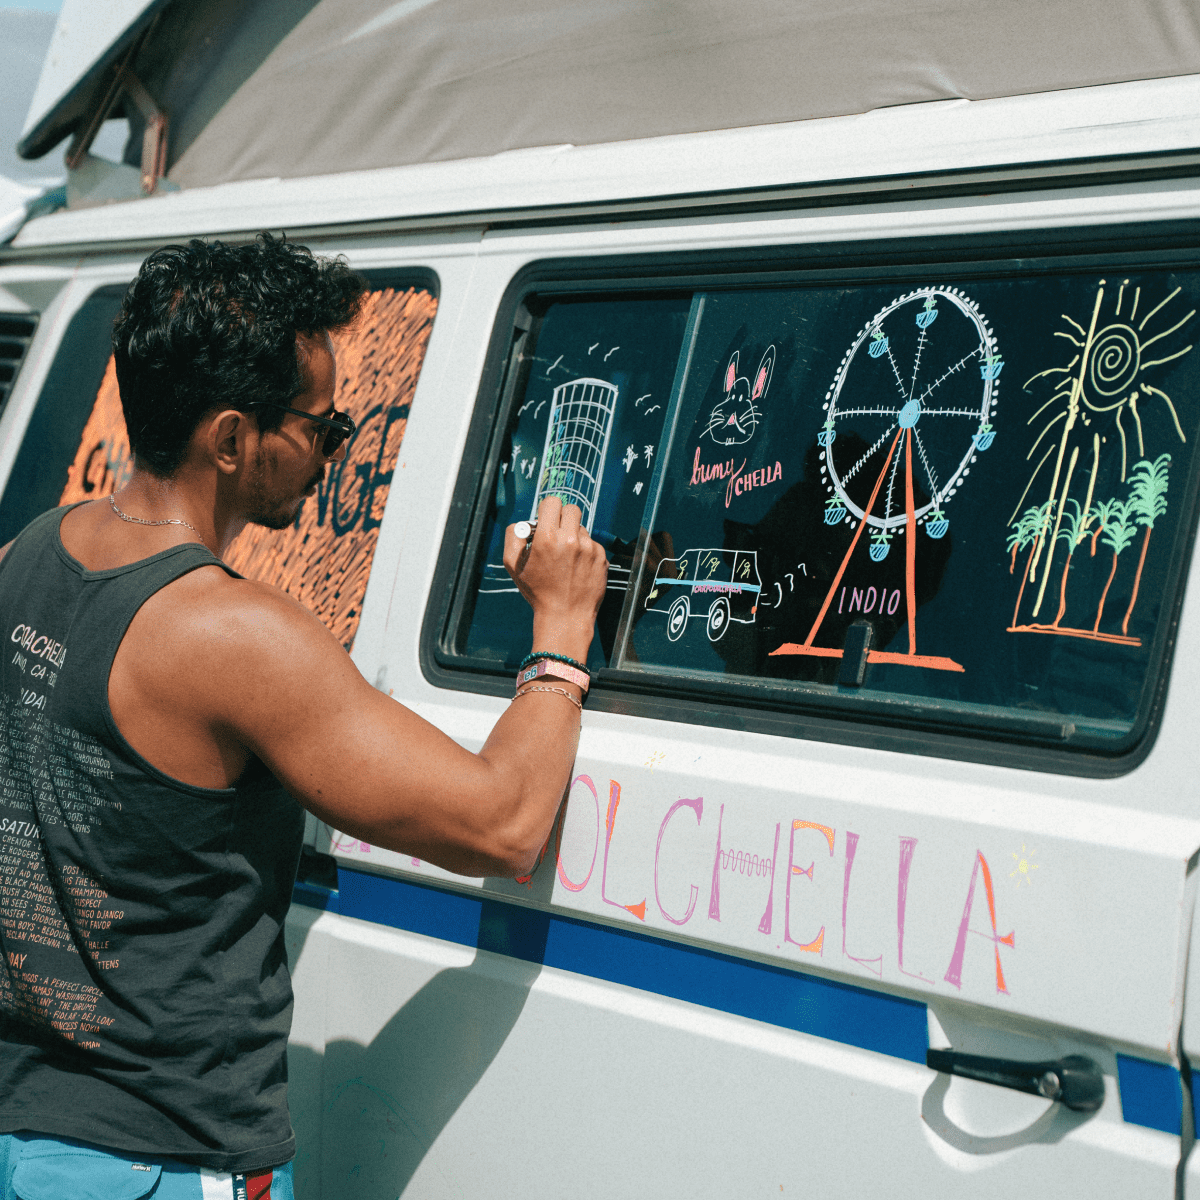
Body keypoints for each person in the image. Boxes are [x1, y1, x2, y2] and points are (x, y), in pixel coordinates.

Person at [0, 234, 607, 1198]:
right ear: (234, 439)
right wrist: (562, 631)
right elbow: (502, 822)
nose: (335, 448)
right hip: (160, 1161)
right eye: (323, 426)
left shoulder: (33, 551)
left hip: (31, 1139)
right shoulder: (232, 636)